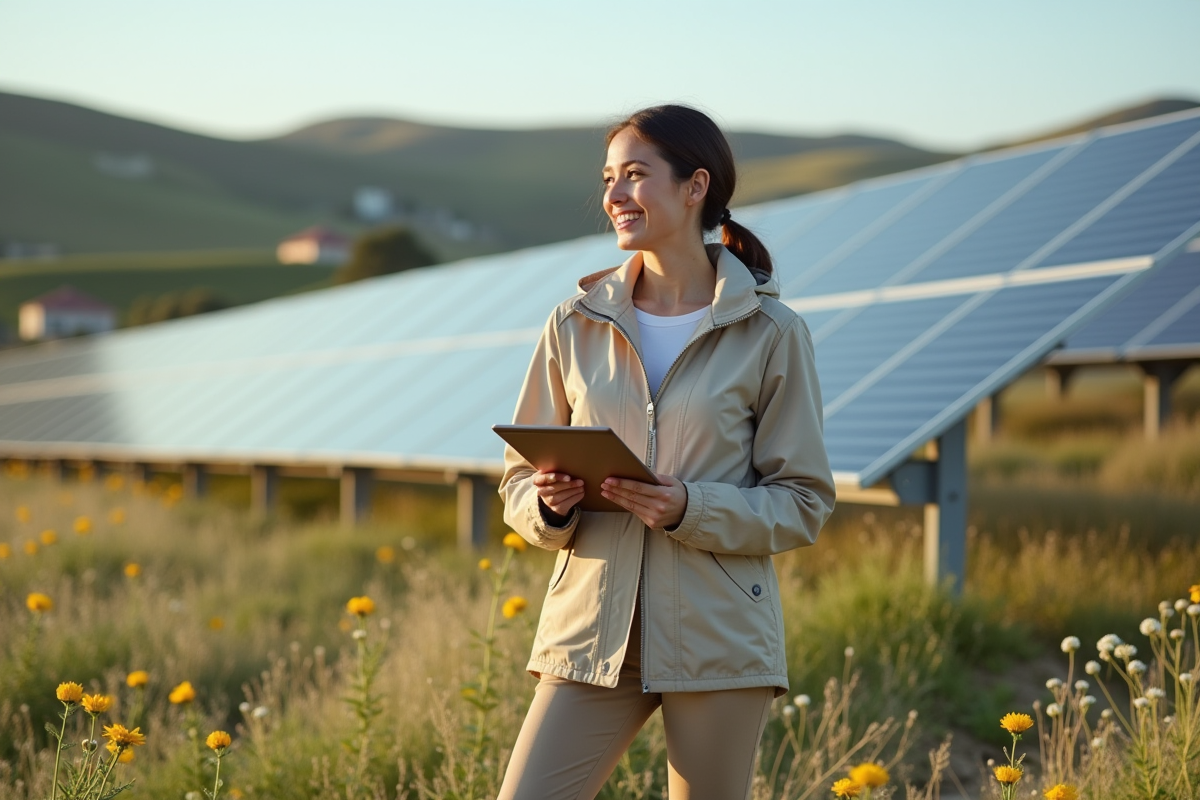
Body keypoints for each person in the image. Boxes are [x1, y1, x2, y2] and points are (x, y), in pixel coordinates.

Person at [497, 104, 836, 800]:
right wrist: (549, 506)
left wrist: (690, 507)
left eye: (635, 175)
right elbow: (517, 483)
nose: (614, 195)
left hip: (718, 642)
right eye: (608, 178)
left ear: (694, 186)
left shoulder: (771, 332)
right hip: (591, 638)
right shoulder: (575, 323)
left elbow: (803, 502)